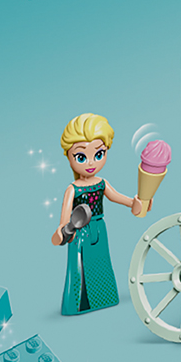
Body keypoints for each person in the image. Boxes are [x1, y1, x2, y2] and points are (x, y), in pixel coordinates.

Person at [50, 113, 143, 315]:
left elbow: (116, 197)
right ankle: (79, 304)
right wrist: (63, 231)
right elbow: (65, 219)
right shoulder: (73, 189)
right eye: (81, 157)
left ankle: (104, 298)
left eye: (99, 154)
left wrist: (134, 203)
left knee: (101, 263)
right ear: (69, 156)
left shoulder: (101, 183)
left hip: (100, 228)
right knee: (81, 267)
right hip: (79, 232)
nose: (91, 162)